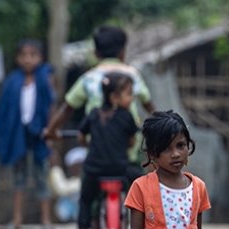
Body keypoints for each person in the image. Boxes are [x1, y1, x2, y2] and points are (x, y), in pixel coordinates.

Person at [43, 25, 155, 179]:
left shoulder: (88, 78)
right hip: (127, 148)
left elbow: (67, 109)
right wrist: (161, 123)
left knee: (88, 193)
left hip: (97, 149)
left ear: (96, 53)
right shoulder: (132, 75)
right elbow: (148, 104)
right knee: (137, 186)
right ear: (123, 52)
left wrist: (51, 131)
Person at [0, 39, 56, 229]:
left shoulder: (45, 78)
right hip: (18, 133)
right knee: (19, 177)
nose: (28, 59)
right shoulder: (12, 81)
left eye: (33, 55)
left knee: (42, 176)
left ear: (40, 58)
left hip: (39, 133)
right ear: (18, 59)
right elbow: (4, 111)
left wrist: (50, 131)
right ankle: (17, 219)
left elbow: (51, 105)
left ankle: (46, 220)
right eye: (24, 55)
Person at [72, 72, 139, 229]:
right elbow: (132, 141)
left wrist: (89, 143)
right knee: (145, 185)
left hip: (95, 170)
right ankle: (147, 228)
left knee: (86, 200)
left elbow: (81, 137)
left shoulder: (93, 114)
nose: (132, 98)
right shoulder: (126, 116)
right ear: (114, 97)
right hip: (120, 168)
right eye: (129, 94)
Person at [49, 146, 87, 222]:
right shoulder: (71, 181)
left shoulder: (88, 180)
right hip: (67, 216)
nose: (80, 168)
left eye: (81, 164)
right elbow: (62, 189)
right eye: (77, 165)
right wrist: (55, 168)